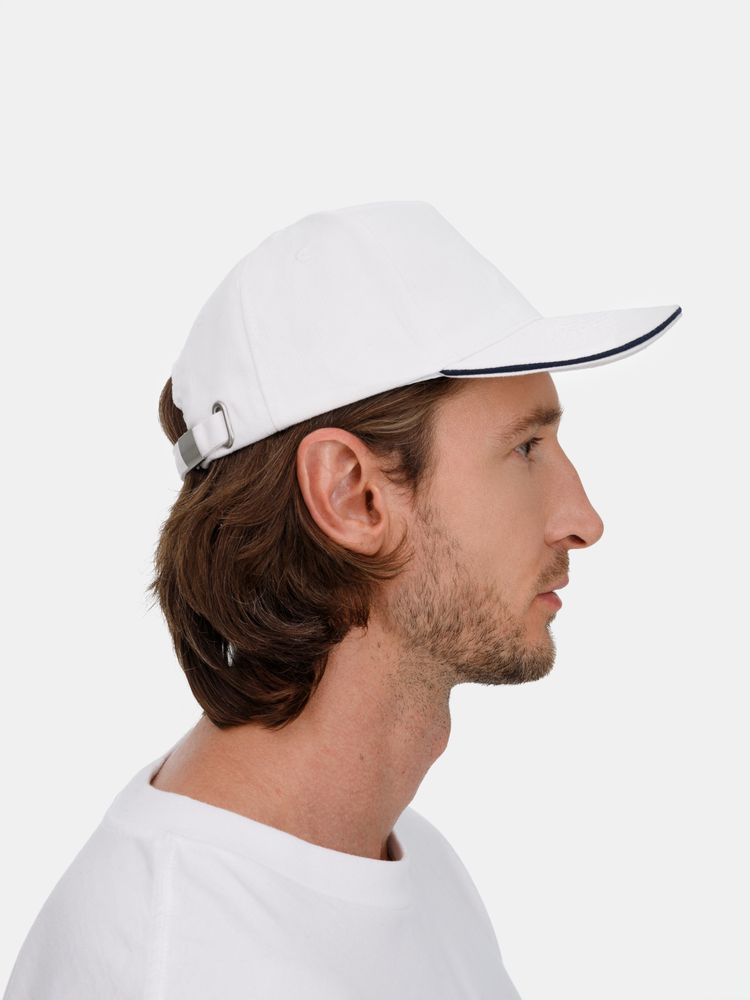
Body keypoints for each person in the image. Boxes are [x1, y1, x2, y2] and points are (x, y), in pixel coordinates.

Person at [3, 201, 682, 999]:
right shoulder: (173, 964)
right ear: (352, 494)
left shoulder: (413, 868)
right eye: (525, 448)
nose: (584, 520)